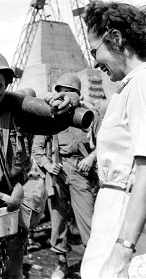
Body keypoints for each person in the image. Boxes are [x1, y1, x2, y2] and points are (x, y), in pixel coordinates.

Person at [0, 50, 81, 278]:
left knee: (14, 272)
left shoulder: (19, 115)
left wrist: (70, 101)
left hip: (16, 205)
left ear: (6, 85)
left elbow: (53, 125)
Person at [80, 0, 146, 278]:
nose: (95, 64)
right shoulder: (132, 85)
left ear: (116, 38)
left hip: (124, 214)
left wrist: (123, 249)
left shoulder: (144, 81)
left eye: (95, 52)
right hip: (114, 209)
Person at [32, 73, 99, 278]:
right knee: (57, 221)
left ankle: (92, 264)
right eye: (61, 92)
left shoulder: (89, 114)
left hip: (80, 171)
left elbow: (105, 142)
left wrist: (91, 158)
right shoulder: (49, 114)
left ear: (77, 95)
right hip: (57, 172)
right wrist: (47, 164)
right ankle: (61, 263)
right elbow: (38, 149)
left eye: (69, 93)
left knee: (87, 220)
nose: (64, 97)